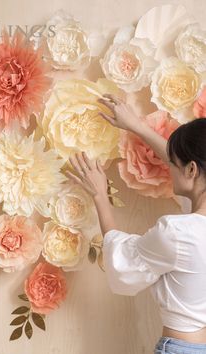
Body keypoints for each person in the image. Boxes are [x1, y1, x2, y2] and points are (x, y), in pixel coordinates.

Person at [65, 93, 206, 353]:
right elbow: (187, 167)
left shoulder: (179, 233)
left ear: (192, 170)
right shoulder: (195, 228)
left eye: (173, 164)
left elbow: (123, 265)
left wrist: (100, 195)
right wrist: (138, 127)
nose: (169, 167)